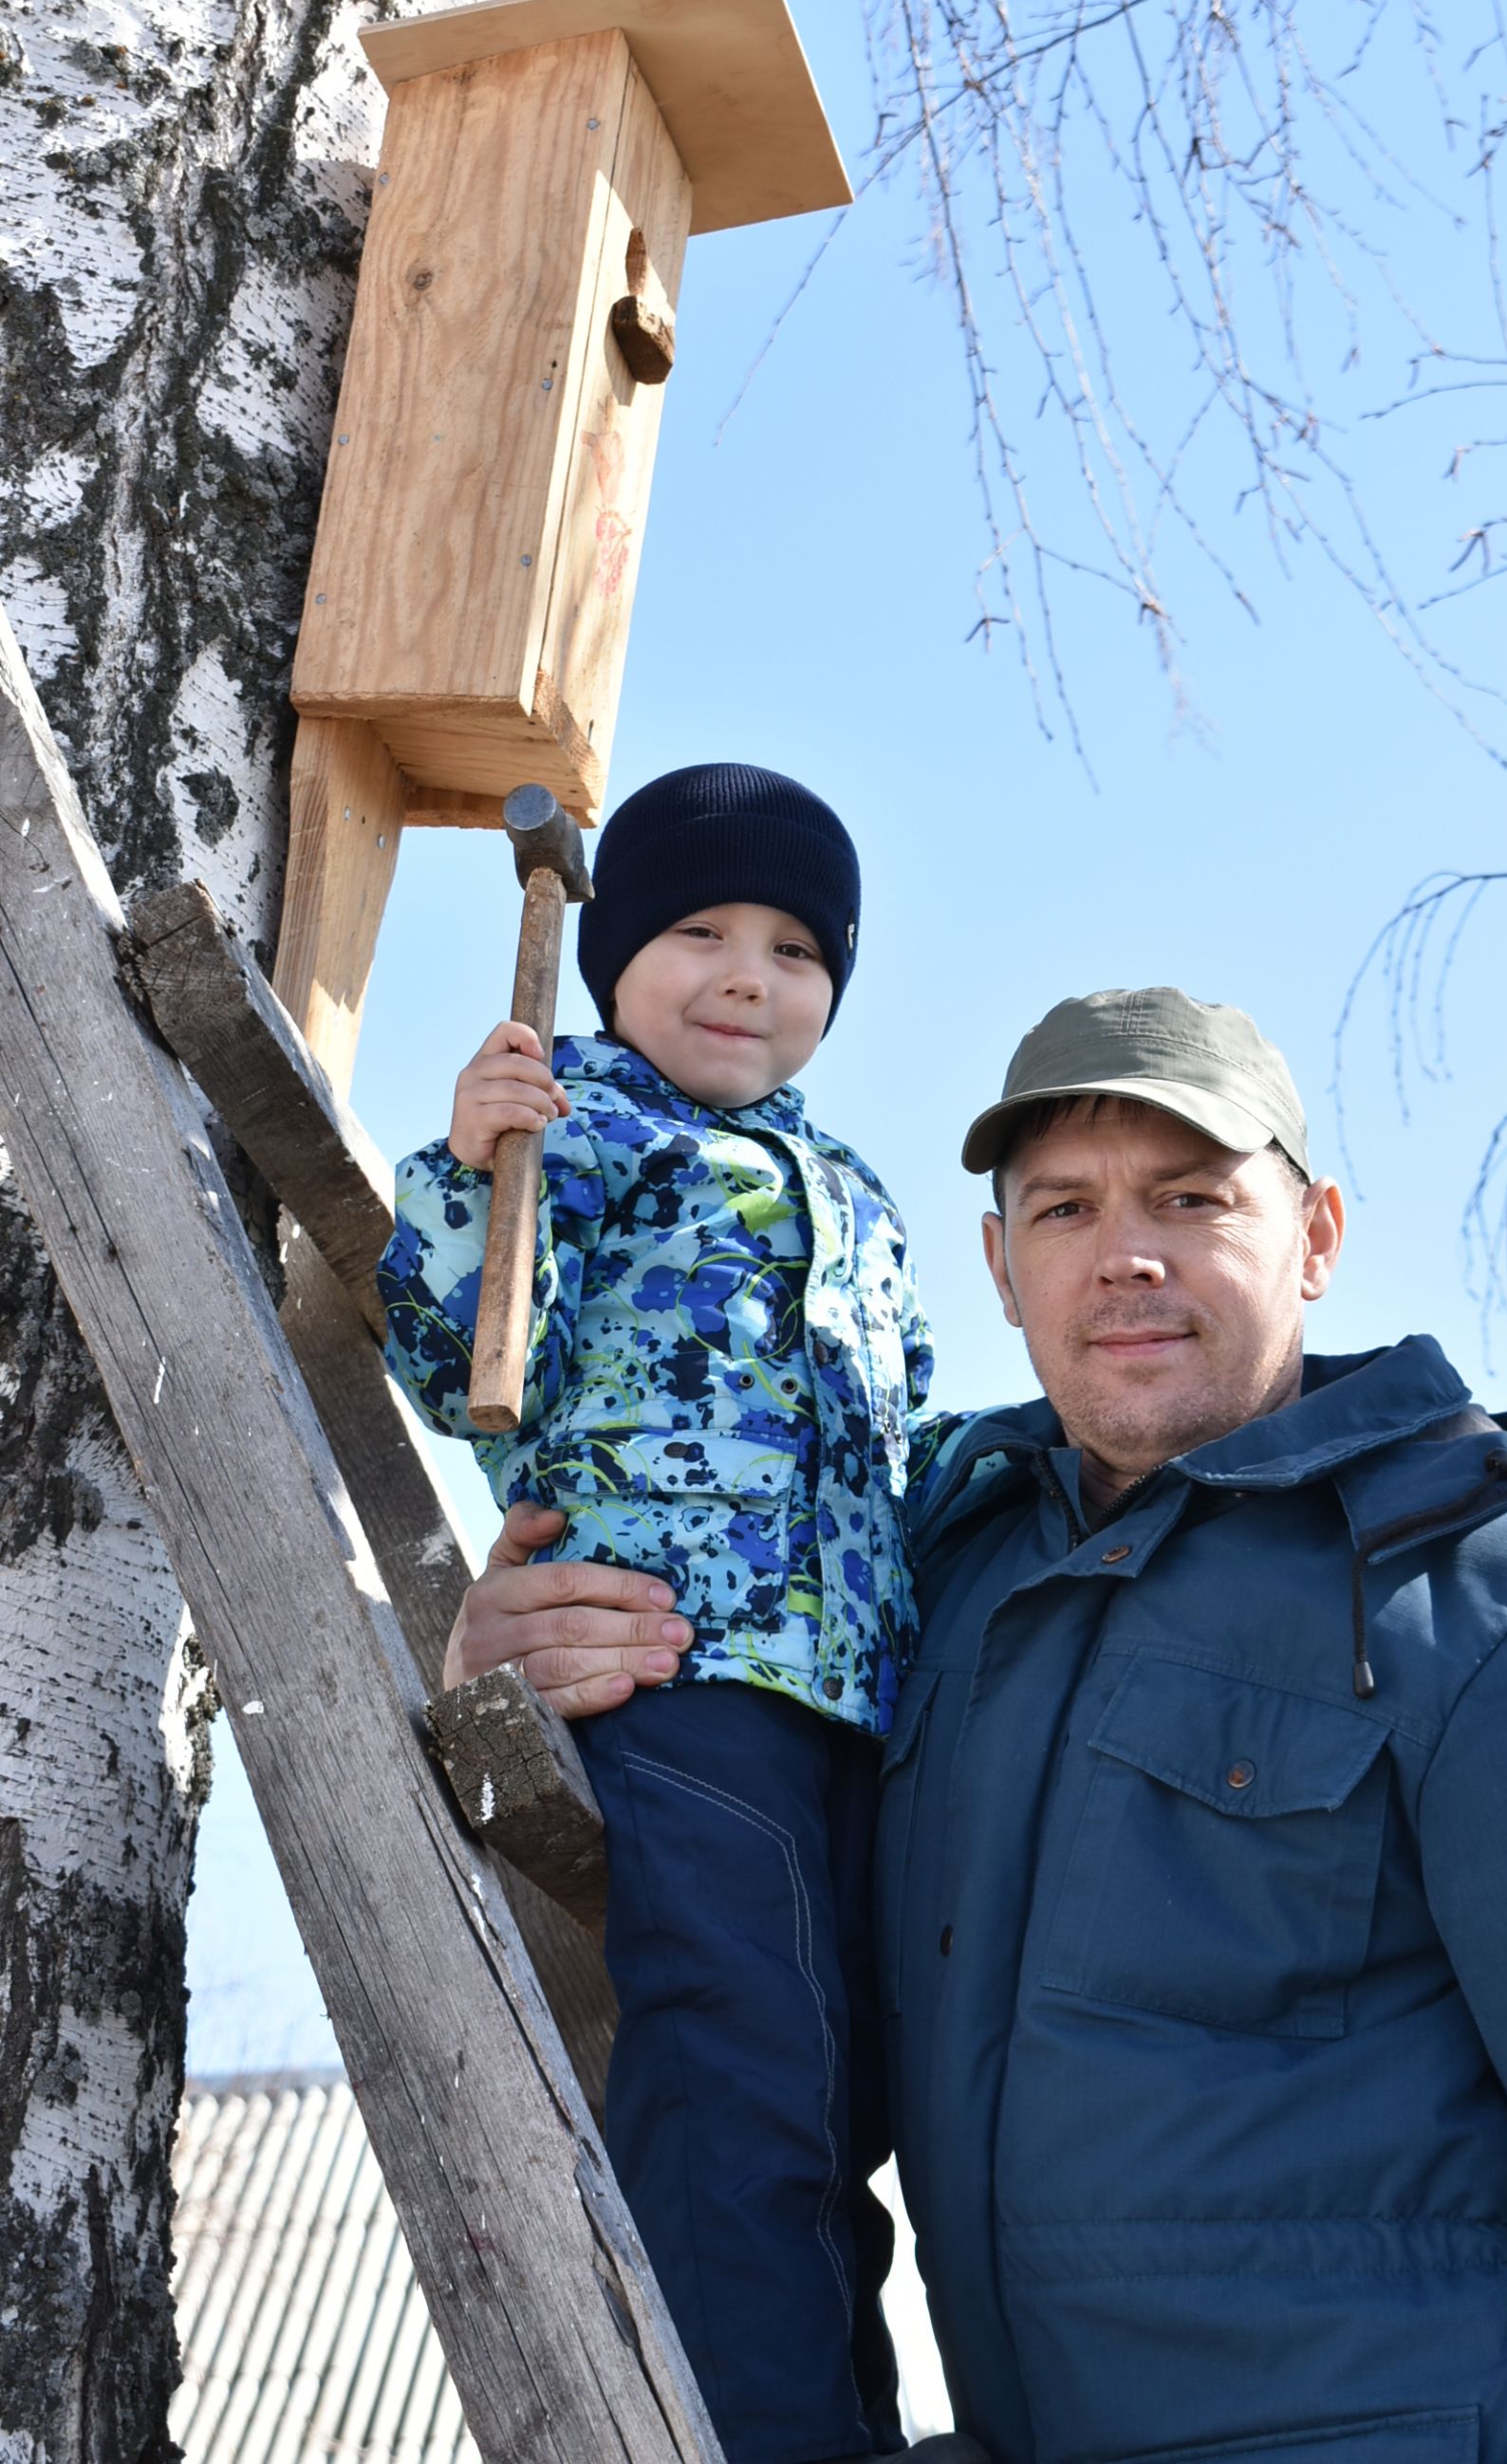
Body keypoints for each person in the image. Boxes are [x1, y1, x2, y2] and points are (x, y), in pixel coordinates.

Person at [447, 987, 1507, 2462]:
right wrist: (510, 1653)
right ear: (996, 1262)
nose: (1128, 1257)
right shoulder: (923, 1590)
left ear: (1317, 1239)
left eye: (1191, 1196)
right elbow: (757, 2000)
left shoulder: (1505, 1593)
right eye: (1063, 1210)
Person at [380, 762, 934, 2464]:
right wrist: (477, 1165)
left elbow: (907, 1421)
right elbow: (461, 1340)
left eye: (792, 946)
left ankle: (842, 2414)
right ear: (614, 954)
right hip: (677, 1670)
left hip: (855, 1705)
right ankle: (747, 2430)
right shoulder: (590, 1128)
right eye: (697, 930)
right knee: (735, 2064)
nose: (747, 974)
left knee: (845, 2102)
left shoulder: (855, 1190)